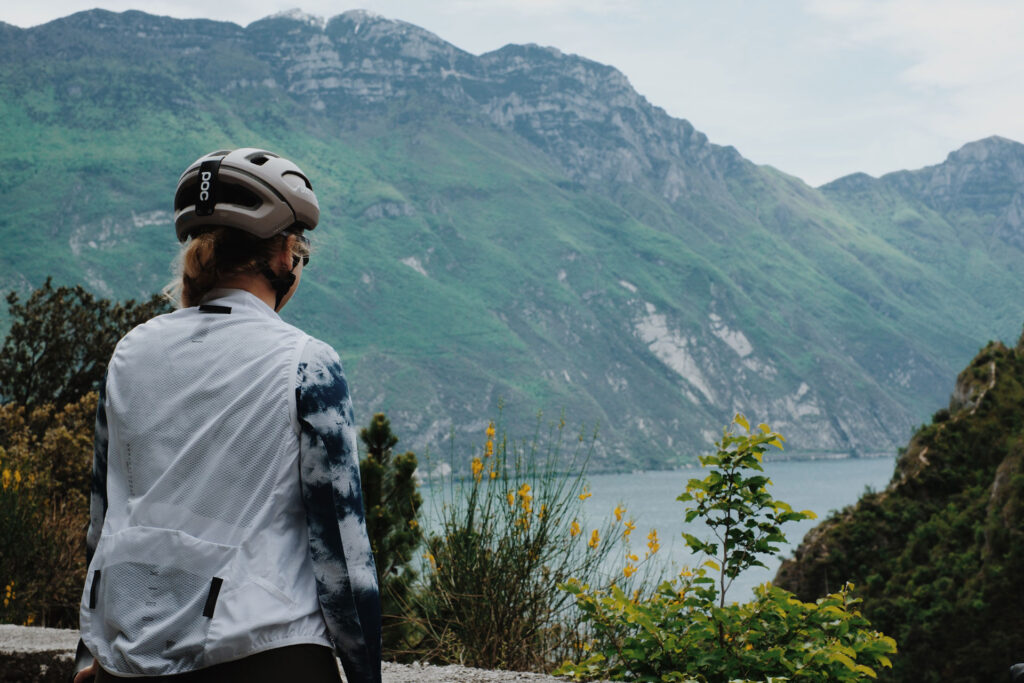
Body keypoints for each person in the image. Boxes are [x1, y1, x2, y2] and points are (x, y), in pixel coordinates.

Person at [72, 148, 381, 683]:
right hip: (267, 654)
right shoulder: (306, 363)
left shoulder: (130, 354)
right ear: (285, 256)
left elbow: (105, 524)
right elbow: (341, 553)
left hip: (126, 662)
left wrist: (88, 654)